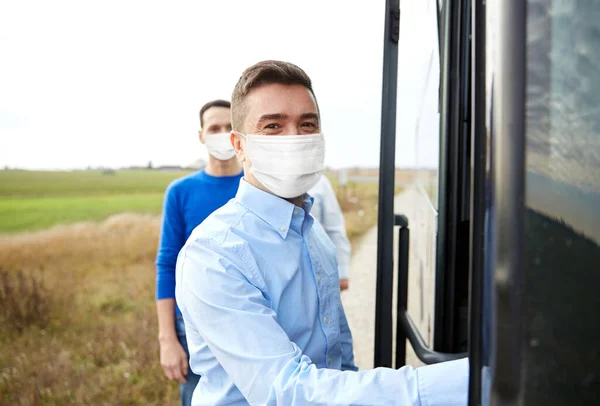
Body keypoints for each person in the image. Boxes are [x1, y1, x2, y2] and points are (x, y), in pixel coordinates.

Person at [175, 60, 468, 405]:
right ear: (239, 145)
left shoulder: (312, 234)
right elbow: (288, 392)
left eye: (307, 124)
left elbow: (337, 359)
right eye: (272, 126)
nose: (294, 138)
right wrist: (464, 381)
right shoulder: (213, 255)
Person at [155, 99, 243, 405]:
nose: (222, 134)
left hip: (253, 320)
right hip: (193, 326)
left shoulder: (258, 186)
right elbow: (167, 264)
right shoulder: (180, 192)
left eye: (229, 127)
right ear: (201, 135)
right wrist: (168, 339)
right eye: (214, 128)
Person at [308, 175, 351, 291]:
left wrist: (342, 272)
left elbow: (335, 228)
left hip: (314, 271)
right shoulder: (261, 179)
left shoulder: (320, 182)